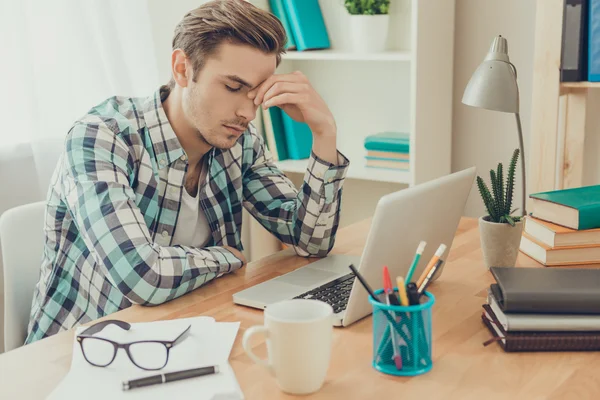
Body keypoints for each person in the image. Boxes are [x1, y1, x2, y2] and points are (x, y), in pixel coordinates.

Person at [25, 0, 349, 344]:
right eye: (233, 87)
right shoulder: (101, 137)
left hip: (187, 335)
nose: (247, 113)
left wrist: (324, 133)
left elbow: (311, 242)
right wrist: (227, 257)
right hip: (81, 351)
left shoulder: (239, 142)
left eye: (256, 95)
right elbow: (142, 275)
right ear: (182, 68)